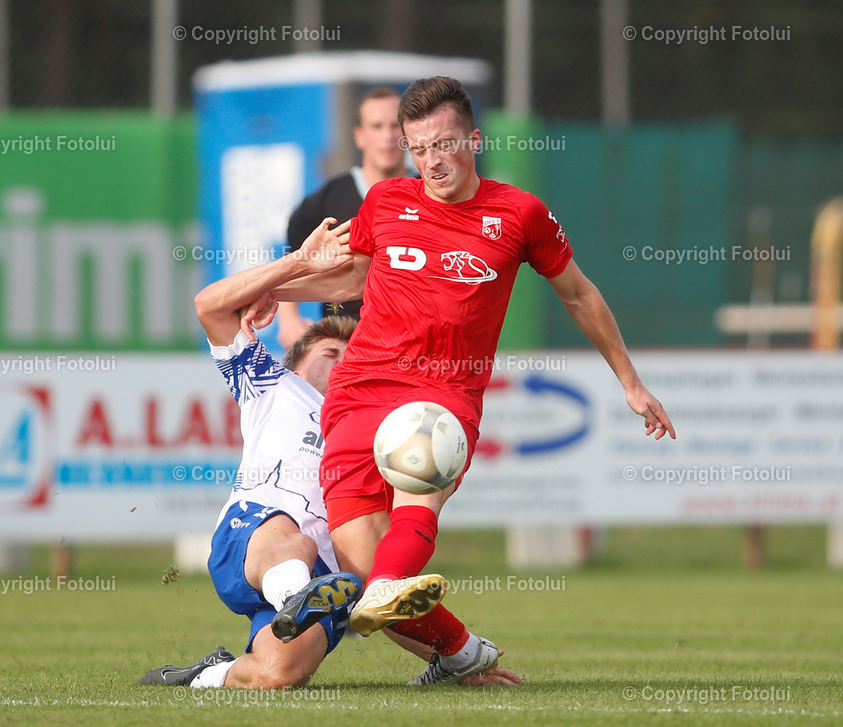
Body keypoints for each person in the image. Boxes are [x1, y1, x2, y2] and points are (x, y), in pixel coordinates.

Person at [240, 76, 677, 686]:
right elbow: (348, 282)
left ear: (474, 138)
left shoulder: (519, 213)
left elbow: (579, 295)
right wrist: (270, 290)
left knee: (410, 516)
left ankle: (399, 597)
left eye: (444, 144)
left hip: (443, 394)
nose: (432, 160)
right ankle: (460, 655)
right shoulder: (388, 201)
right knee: (367, 575)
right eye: (419, 148)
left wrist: (630, 382)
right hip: (358, 391)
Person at [139, 222, 520, 690]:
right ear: (295, 363)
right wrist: (298, 263)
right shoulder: (272, 386)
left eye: (353, 352)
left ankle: (205, 674)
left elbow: (381, 586)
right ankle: (298, 594)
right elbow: (210, 305)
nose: (344, 360)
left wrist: (453, 658)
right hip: (256, 535)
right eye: (330, 351)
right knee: (294, 542)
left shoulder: (386, 433)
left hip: (330, 578)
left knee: (277, 676)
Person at [276, 85, 409, 349]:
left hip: (413, 349)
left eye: (395, 126)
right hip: (345, 350)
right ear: (359, 136)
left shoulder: (431, 195)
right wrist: (288, 322)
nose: (387, 136)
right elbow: (290, 264)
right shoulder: (324, 203)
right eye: (376, 126)